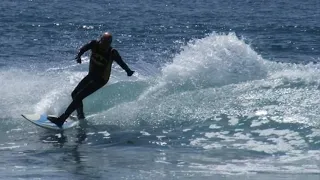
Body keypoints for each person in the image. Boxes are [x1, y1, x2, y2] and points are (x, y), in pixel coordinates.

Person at [48, 32, 135, 128]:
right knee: (74, 94)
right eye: (103, 42)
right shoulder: (94, 44)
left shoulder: (112, 52)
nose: (105, 45)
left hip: (101, 79)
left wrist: (128, 71)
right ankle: (80, 116)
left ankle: (62, 119)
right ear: (100, 40)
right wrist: (79, 56)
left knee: (79, 96)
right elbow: (83, 49)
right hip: (91, 75)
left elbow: (121, 63)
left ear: (110, 43)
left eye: (107, 43)